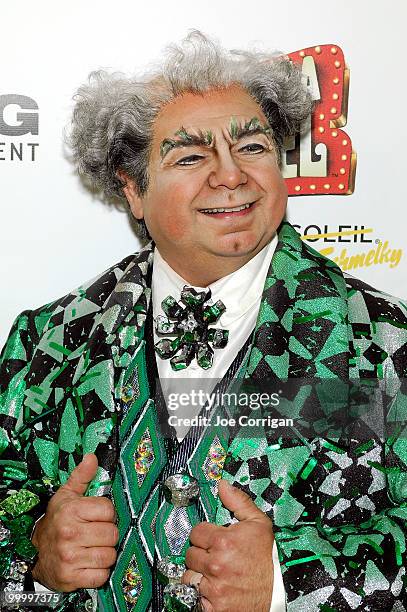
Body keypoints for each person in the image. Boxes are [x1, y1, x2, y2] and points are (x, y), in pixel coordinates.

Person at [0, 31, 406, 612]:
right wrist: (31, 549)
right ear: (133, 191)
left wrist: (287, 578)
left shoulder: (386, 343)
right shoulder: (48, 342)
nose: (231, 176)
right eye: (190, 156)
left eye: (253, 147)